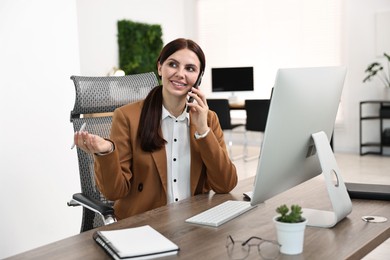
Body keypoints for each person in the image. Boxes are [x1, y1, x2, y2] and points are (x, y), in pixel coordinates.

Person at [73, 38, 238, 220]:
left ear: (198, 77)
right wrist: (106, 152)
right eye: (173, 64)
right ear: (160, 68)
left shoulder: (208, 119)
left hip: (195, 224)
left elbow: (225, 184)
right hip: (145, 225)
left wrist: (203, 130)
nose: (180, 74)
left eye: (190, 68)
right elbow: (114, 192)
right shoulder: (127, 117)